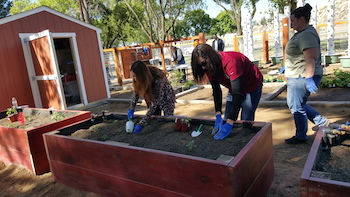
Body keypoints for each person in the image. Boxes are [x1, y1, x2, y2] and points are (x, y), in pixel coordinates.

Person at [191, 43, 263, 140]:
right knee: (227, 116)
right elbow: (216, 91)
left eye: (203, 64)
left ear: (210, 57)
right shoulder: (209, 68)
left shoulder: (231, 61)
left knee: (246, 116)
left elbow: (238, 94)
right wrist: (218, 114)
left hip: (251, 85)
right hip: (235, 88)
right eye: (200, 66)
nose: (203, 68)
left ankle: (246, 138)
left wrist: (230, 122)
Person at [284, 4, 330, 144]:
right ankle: (320, 121)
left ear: (302, 19)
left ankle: (301, 135)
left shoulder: (307, 34)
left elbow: (311, 57)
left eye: (293, 20)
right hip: (298, 74)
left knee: (296, 106)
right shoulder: (302, 33)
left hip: (302, 76)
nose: (291, 23)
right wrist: (287, 67)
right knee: (297, 104)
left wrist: (309, 79)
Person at [127, 61, 176, 133]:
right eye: (133, 76)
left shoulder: (157, 78)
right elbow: (136, 93)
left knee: (168, 120)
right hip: (152, 95)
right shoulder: (139, 80)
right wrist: (131, 108)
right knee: (154, 118)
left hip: (166, 97)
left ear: (141, 76)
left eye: (135, 76)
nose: (134, 79)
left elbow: (153, 105)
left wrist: (141, 124)